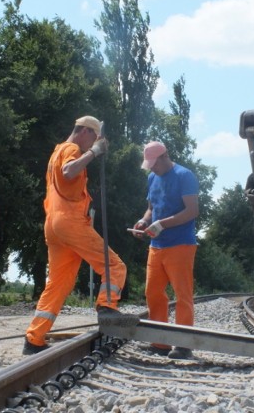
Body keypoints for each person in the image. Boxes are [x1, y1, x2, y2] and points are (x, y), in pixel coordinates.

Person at [23, 115, 128, 355]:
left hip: (53, 224)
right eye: (94, 137)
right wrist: (94, 153)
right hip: (70, 222)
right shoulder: (71, 149)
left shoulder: (57, 150)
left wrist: (92, 152)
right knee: (114, 266)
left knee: (59, 283)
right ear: (84, 132)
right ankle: (107, 307)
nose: (94, 142)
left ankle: (34, 338)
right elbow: (70, 171)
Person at [132, 141, 199, 359]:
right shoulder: (152, 177)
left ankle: (183, 344)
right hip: (156, 246)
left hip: (181, 244)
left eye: (154, 163)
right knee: (152, 292)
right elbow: (151, 208)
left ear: (164, 156)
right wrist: (143, 221)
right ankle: (159, 342)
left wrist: (162, 224)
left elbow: (191, 211)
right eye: (149, 164)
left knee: (182, 295)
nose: (151, 168)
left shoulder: (184, 176)